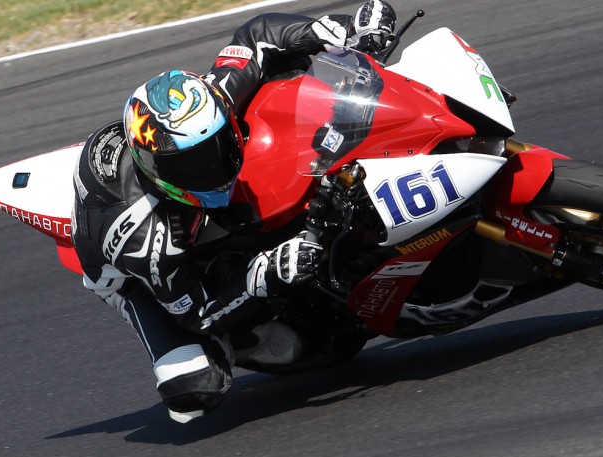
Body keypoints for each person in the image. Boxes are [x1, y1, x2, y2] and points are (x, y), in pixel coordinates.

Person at [71, 1, 396, 423]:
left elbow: (257, 36)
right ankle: (240, 345)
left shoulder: (202, 103)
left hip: (172, 201)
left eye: (217, 147)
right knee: (195, 386)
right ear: (158, 169)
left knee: (282, 75)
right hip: (136, 275)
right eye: (193, 164)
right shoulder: (146, 237)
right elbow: (197, 312)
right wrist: (266, 272)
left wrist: (326, 33)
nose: (213, 168)